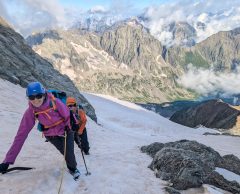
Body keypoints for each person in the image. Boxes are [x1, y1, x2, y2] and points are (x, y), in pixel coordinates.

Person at [0, 82, 80, 179]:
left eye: (38, 96)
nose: (36, 100)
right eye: (31, 97)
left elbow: (68, 115)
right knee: (64, 151)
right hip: (50, 135)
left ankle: (73, 169)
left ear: (44, 94)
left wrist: (73, 125)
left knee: (69, 153)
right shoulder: (31, 111)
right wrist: (7, 161)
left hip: (66, 130)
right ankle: (71, 163)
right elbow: (21, 135)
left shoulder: (55, 102)